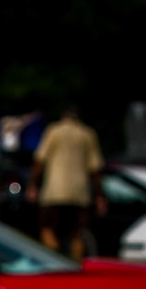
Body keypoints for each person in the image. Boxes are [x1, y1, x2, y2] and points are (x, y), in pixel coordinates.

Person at [29, 104, 107, 258]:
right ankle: (75, 263)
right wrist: (100, 195)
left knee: (47, 228)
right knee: (77, 232)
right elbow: (95, 168)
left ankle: (54, 256)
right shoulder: (87, 134)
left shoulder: (53, 131)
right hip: (80, 192)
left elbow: (40, 160)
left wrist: (33, 185)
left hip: (54, 191)